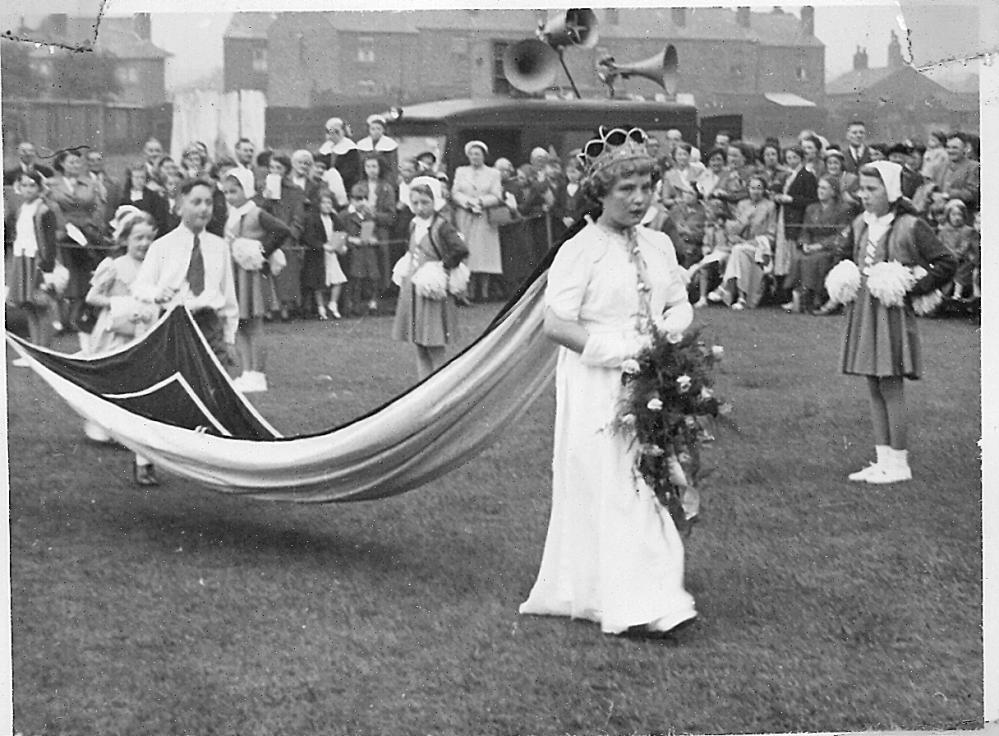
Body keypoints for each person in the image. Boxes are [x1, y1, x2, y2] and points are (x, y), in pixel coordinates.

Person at [519, 126, 697, 637]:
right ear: (600, 193)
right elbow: (556, 323)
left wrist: (668, 333)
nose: (639, 199)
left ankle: (641, 591)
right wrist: (621, 349)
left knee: (652, 475)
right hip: (597, 384)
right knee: (617, 482)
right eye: (627, 189)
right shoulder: (580, 250)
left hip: (653, 378)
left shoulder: (660, 243)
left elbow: (678, 301)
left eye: (646, 186)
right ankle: (641, 602)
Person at [839, 162, 956, 484]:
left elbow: (947, 261)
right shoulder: (861, 223)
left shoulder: (910, 225)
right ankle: (883, 459)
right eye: (861, 189)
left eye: (872, 189)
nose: (864, 195)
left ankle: (900, 464)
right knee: (873, 384)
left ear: (891, 191)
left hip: (891, 313)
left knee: (890, 386)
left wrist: (913, 286)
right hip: (865, 311)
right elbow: (848, 256)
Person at [83, 207, 161, 484]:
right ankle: (104, 427)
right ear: (125, 239)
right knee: (112, 378)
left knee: (139, 382)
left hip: (143, 331)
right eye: (138, 238)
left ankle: (133, 436)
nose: (143, 244)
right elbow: (92, 296)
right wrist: (120, 304)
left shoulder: (155, 268)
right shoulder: (114, 266)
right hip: (115, 330)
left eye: (148, 239)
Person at [133, 178, 239, 367]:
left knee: (212, 382)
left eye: (208, 202)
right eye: (196, 202)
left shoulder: (219, 246)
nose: (204, 208)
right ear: (180, 207)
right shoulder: (162, 246)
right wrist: (157, 293)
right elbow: (140, 286)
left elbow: (228, 294)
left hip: (209, 323)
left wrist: (230, 337)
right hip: (173, 323)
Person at [221, 168, 292, 393]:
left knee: (254, 324)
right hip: (235, 272)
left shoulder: (256, 212)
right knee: (239, 324)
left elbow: (282, 230)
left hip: (251, 273)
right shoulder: (231, 214)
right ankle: (247, 371)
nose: (230, 197)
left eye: (234, 191)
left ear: (247, 189)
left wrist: (262, 251)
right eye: (226, 192)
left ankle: (258, 374)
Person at [391, 176, 469, 379]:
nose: (419, 207)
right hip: (414, 286)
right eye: (415, 202)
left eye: (425, 202)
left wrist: (442, 266)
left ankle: (439, 384)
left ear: (436, 201)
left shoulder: (442, 226)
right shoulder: (414, 224)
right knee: (418, 342)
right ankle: (422, 384)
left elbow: (460, 249)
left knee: (433, 341)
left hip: (431, 288)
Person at [47, 147, 104, 339]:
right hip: (62, 235)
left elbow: (97, 208)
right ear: (62, 164)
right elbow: (51, 207)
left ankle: (76, 317)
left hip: (85, 235)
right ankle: (60, 320)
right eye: (71, 162)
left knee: (82, 276)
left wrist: (91, 227)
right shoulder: (52, 184)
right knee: (64, 275)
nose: (76, 166)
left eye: (78, 162)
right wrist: (62, 229)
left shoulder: (89, 183)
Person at [4, 170, 59, 355]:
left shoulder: (44, 210)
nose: (28, 189)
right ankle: (34, 349)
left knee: (41, 306)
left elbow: (50, 242)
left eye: (32, 185)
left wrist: (47, 268)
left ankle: (45, 351)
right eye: (24, 185)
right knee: (29, 307)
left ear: (39, 187)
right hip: (22, 260)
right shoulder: (21, 209)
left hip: (38, 261)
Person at [782, 174, 852, 314]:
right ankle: (800, 294)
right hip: (812, 244)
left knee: (815, 259)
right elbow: (805, 231)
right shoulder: (811, 208)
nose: (820, 191)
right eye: (819, 187)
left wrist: (820, 246)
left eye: (824, 188)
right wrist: (806, 244)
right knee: (798, 256)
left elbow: (843, 234)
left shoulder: (844, 209)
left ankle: (813, 297)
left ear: (833, 191)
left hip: (831, 247)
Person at [451, 140, 503, 302]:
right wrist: (467, 202)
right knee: (467, 253)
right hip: (465, 216)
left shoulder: (493, 173)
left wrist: (481, 202)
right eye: (472, 154)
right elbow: (455, 192)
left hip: (484, 217)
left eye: (478, 154)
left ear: (483, 156)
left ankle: (484, 292)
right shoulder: (461, 171)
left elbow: (497, 195)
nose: (474, 157)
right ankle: (468, 291)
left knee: (485, 255)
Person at [717, 174, 777, 310]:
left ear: (764, 190)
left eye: (759, 188)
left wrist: (751, 242)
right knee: (738, 252)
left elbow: (771, 234)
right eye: (753, 188)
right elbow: (735, 230)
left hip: (760, 248)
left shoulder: (770, 206)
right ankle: (741, 298)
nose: (755, 191)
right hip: (741, 245)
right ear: (748, 189)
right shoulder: (743, 205)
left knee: (739, 251)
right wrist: (745, 220)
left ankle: (725, 288)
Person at [260, 153, 306, 320]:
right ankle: (270, 307)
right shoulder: (265, 188)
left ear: (286, 170)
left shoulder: (294, 190)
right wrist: (266, 198)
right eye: (271, 168)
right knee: (268, 271)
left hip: (287, 236)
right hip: (269, 234)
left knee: (287, 273)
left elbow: (298, 215)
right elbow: (261, 213)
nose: (274, 171)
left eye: (278, 168)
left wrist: (292, 232)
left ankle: (286, 306)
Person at [771, 145, 818, 310]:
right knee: (784, 255)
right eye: (789, 158)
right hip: (784, 217)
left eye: (794, 158)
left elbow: (811, 200)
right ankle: (784, 293)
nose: (791, 161)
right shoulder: (785, 175)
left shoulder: (807, 176)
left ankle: (793, 294)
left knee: (792, 256)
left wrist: (791, 199)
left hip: (796, 218)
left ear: (801, 158)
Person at [301, 190, 348, 320]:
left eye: (329, 203)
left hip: (332, 253)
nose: (327, 205)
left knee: (338, 279)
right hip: (318, 254)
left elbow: (341, 233)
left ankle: (333, 304)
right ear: (319, 204)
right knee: (318, 282)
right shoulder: (313, 218)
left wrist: (341, 246)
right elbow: (309, 238)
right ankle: (321, 308)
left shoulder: (334, 218)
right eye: (324, 203)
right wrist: (322, 246)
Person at [342, 183, 383, 315]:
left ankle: (373, 304)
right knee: (355, 280)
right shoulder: (344, 215)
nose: (362, 202)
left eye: (364, 198)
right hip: (353, 252)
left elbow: (374, 233)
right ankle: (353, 305)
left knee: (373, 277)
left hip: (368, 251)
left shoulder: (368, 216)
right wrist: (351, 239)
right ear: (351, 199)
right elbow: (339, 234)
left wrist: (373, 239)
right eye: (358, 199)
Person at [936, 199, 979, 301]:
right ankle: (941, 295)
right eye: (953, 215)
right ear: (948, 216)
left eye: (960, 215)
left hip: (963, 261)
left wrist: (954, 255)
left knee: (961, 271)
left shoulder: (968, 231)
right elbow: (939, 246)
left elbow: (965, 247)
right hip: (947, 260)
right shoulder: (943, 232)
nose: (957, 218)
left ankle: (957, 294)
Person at [117, 161, 171, 234]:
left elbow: (160, 221)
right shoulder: (122, 196)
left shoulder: (154, 197)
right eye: (136, 177)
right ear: (130, 178)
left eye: (142, 177)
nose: (139, 180)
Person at [934, 133, 980, 212]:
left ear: (965, 149)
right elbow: (933, 184)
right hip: (940, 213)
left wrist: (947, 195)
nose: (950, 151)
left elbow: (972, 194)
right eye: (948, 147)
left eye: (955, 148)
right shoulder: (942, 165)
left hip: (963, 214)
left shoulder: (974, 167)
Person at [317, 117, 361, 194]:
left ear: (342, 132)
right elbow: (319, 163)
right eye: (329, 132)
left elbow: (351, 172)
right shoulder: (325, 148)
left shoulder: (351, 149)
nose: (332, 135)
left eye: (336, 132)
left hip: (346, 186)